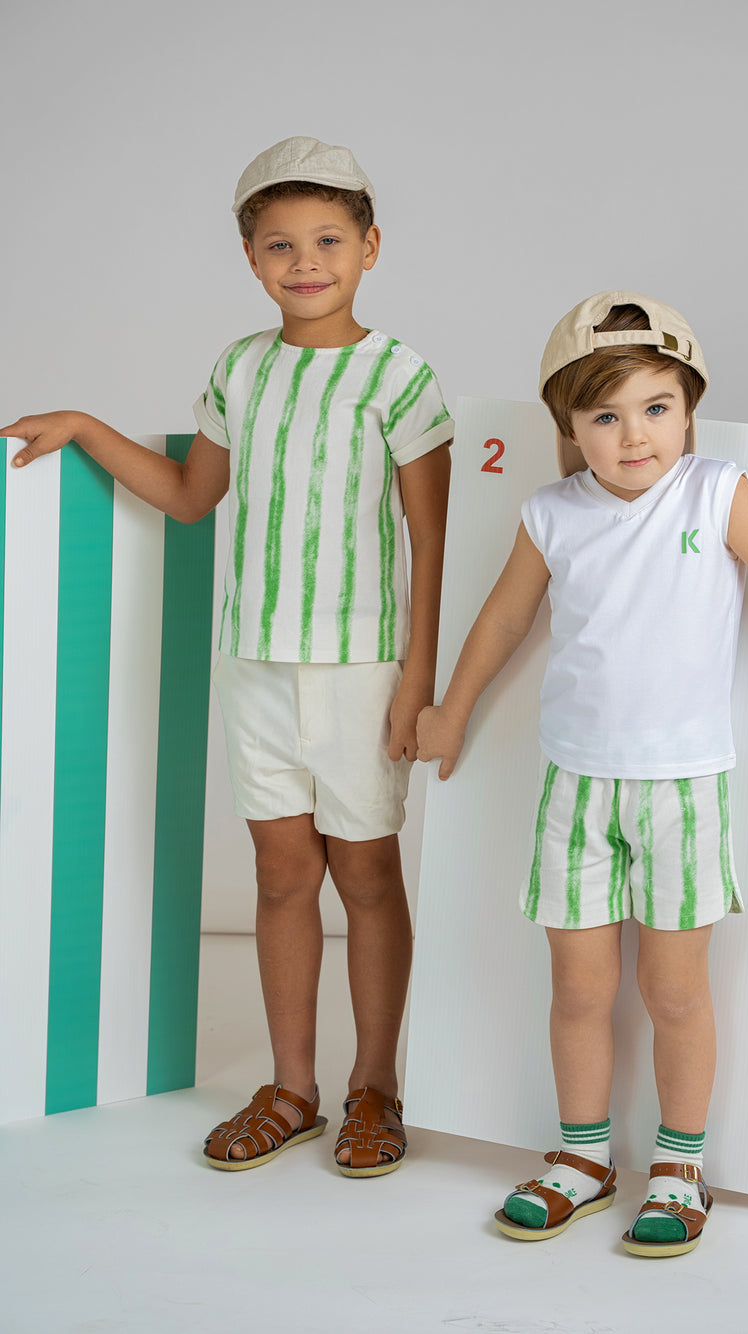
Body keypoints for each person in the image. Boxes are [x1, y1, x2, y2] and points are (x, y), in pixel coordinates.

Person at [415, 290, 748, 1255]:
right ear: (569, 426)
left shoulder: (717, 494)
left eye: (656, 407)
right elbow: (504, 618)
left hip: (684, 791)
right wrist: (452, 711)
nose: (634, 436)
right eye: (605, 415)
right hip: (575, 789)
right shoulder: (551, 515)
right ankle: (583, 1158)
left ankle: (679, 1166)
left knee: (674, 992)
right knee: (579, 989)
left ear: (690, 406)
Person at [4, 136, 453, 1176]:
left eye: (329, 239)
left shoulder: (400, 375)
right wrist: (86, 426)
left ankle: (374, 1085)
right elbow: (188, 497)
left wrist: (418, 682)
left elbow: (430, 537)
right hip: (252, 664)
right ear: (251, 257)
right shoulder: (239, 369)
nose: (306, 261)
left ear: (370, 246)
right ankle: (292, 1087)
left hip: (360, 669)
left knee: (367, 875)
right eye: (280, 244)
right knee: (281, 873)